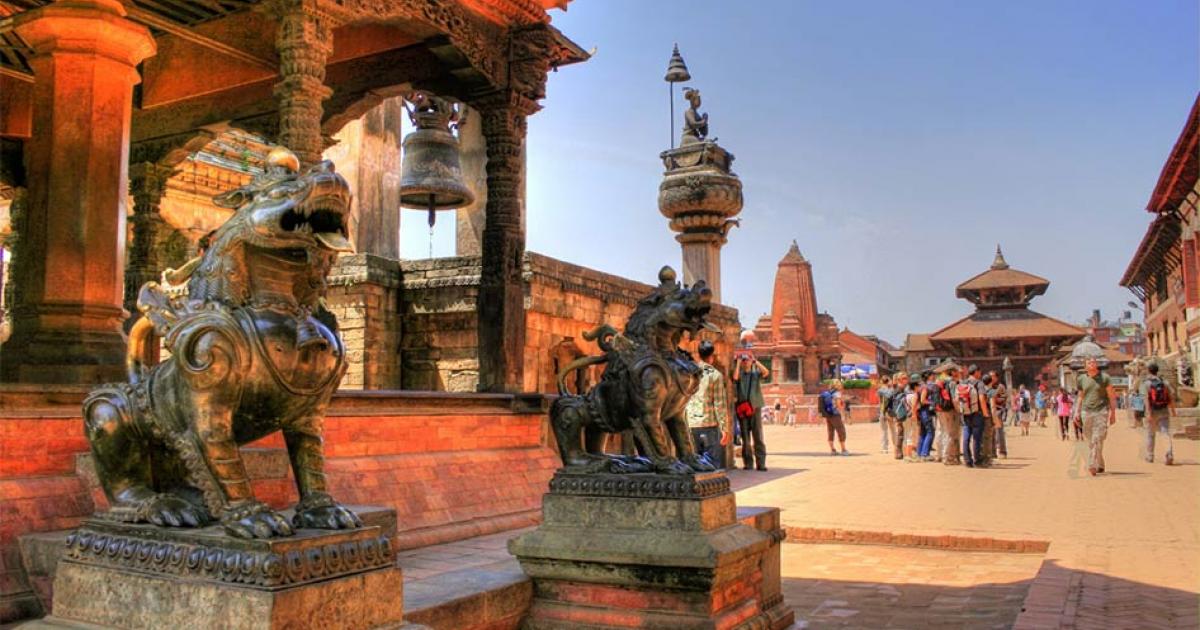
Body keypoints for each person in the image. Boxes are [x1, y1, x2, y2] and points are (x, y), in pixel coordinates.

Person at [685, 341, 732, 469]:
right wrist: (725, 429)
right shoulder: (715, 375)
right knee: (711, 465)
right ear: (711, 356)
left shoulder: (689, 373)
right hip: (709, 425)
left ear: (699, 355)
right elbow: (719, 404)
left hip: (691, 424)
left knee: (694, 465)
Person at [1074, 358, 1117, 476]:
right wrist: (1076, 412)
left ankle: (1092, 464)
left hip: (1101, 411)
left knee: (1097, 438)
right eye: (1089, 363)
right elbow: (1080, 397)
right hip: (1086, 411)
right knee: (1090, 439)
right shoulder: (1081, 379)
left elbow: (1111, 396)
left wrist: (1113, 413)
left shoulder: (1105, 378)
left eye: (1094, 362)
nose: (1092, 364)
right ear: (1085, 366)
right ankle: (1100, 463)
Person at [732, 345, 771, 471]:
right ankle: (748, 463)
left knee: (758, 436)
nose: (745, 361)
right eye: (744, 360)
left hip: (755, 407)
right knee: (745, 437)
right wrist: (738, 362)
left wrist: (755, 361)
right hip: (743, 409)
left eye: (747, 360)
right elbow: (735, 378)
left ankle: (761, 463)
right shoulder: (740, 374)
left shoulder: (755, 374)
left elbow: (766, 372)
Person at [1140, 363, 1176, 465]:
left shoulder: (1146, 383)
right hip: (1164, 411)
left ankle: (1150, 456)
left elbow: (1146, 399)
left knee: (1150, 434)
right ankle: (1169, 453)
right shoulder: (1164, 382)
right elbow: (1171, 396)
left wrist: (1148, 413)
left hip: (1152, 411)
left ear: (1148, 371)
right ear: (1157, 370)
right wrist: (1173, 410)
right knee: (1165, 433)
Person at [959, 364, 990, 468]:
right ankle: (977, 460)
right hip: (977, 413)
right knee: (977, 437)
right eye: (979, 372)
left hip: (966, 413)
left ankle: (967, 460)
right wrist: (985, 413)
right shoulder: (979, 383)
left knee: (966, 436)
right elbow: (981, 398)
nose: (980, 374)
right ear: (976, 372)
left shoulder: (963, 383)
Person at [935, 366, 962, 466]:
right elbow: (955, 398)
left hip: (940, 409)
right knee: (951, 433)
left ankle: (941, 454)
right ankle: (948, 457)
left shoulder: (939, 382)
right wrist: (958, 410)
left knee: (942, 431)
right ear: (953, 372)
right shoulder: (952, 383)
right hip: (950, 410)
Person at [819, 380, 849, 455]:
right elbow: (838, 405)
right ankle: (843, 449)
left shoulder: (828, 393)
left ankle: (833, 450)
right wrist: (843, 410)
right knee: (841, 431)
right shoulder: (837, 393)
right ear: (837, 385)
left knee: (830, 431)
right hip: (835, 415)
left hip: (828, 414)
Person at [888, 372, 911, 459]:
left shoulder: (897, 388)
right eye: (904, 378)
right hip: (900, 413)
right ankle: (899, 453)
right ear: (900, 380)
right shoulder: (900, 388)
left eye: (906, 378)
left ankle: (899, 453)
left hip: (897, 413)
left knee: (900, 432)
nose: (906, 379)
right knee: (900, 432)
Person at [916, 372, 937, 461]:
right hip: (926, 412)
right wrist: (932, 402)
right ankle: (925, 454)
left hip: (922, 412)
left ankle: (920, 453)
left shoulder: (921, 386)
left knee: (923, 433)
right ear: (928, 377)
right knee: (930, 432)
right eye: (933, 375)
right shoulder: (925, 387)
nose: (934, 377)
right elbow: (923, 400)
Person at [988, 372, 1007, 459]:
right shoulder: (987, 386)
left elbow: (1004, 398)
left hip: (998, 411)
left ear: (996, 377)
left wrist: (995, 399)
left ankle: (1002, 451)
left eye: (993, 376)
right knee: (990, 432)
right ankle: (992, 452)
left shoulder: (1001, 387)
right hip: (989, 411)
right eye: (990, 376)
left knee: (999, 432)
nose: (991, 378)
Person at [876, 376, 895, 454]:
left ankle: (885, 448)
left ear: (881, 381)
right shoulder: (892, 390)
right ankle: (896, 446)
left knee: (884, 431)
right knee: (893, 430)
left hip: (883, 411)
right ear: (888, 381)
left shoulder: (879, 391)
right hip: (891, 411)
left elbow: (880, 402)